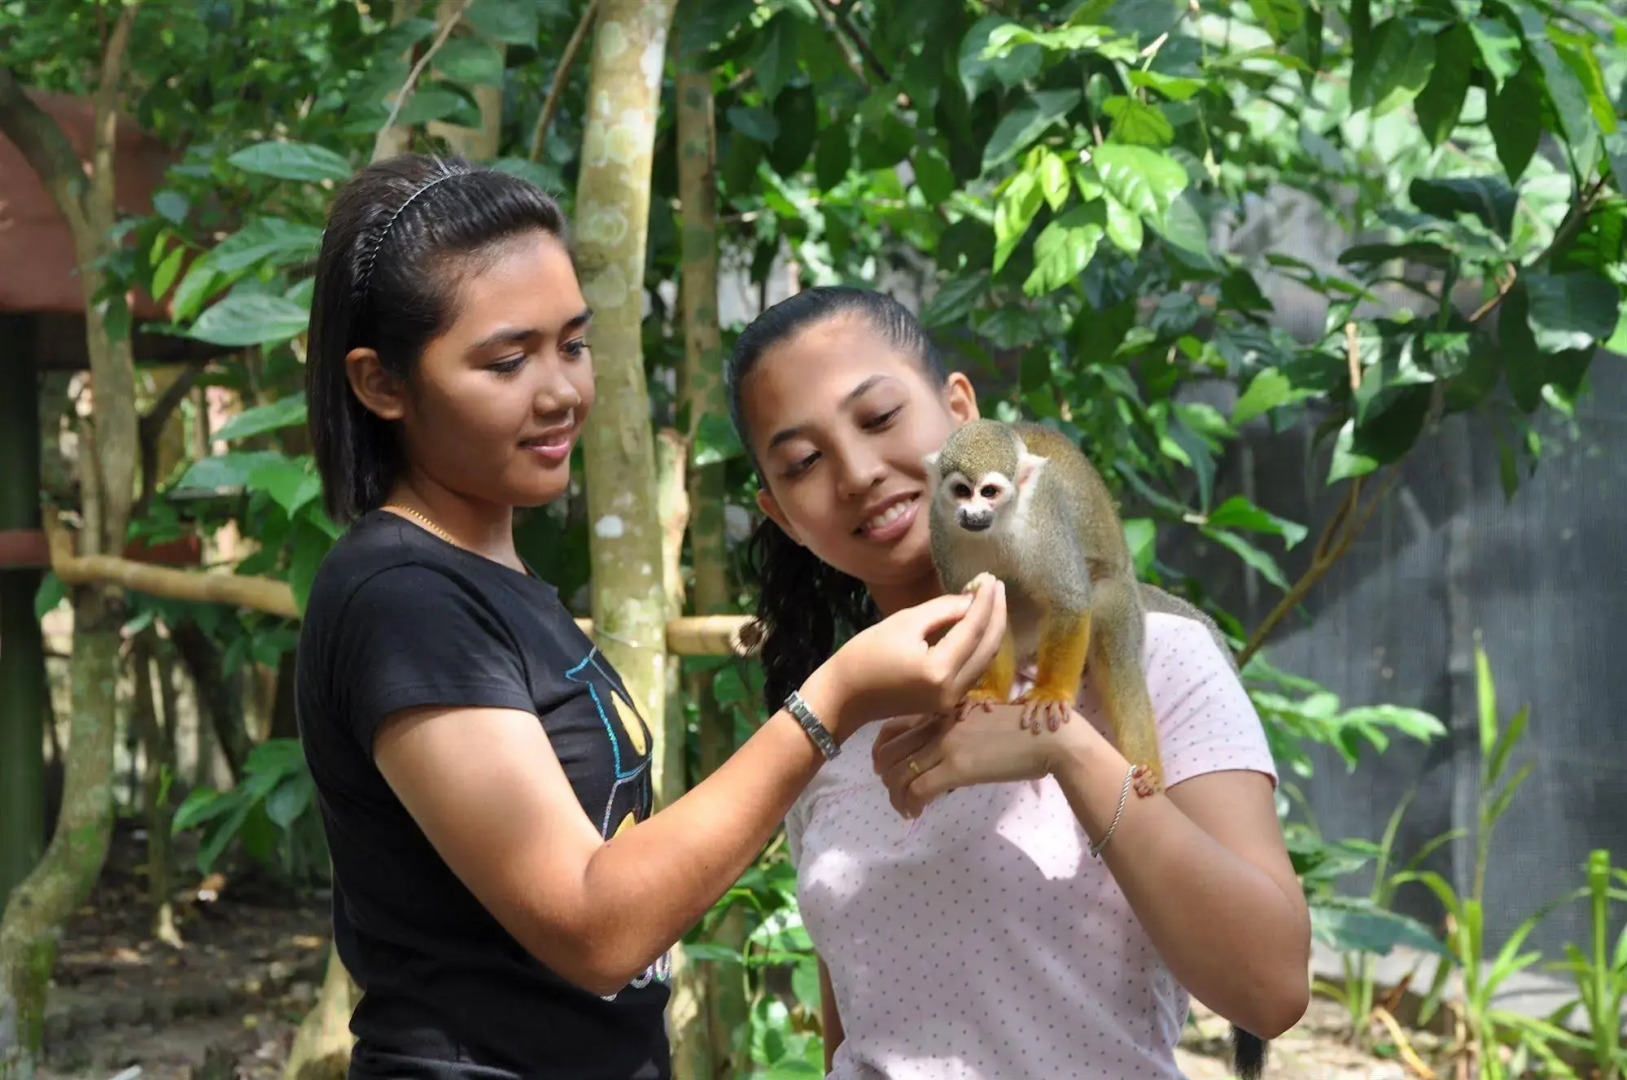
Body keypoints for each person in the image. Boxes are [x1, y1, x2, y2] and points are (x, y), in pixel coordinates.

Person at [292, 156, 1009, 1080]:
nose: (558, 392)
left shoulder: (494, 581)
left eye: (572, 345)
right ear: (382, 384)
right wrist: (831, 701)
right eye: (507, 361)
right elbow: (595, 930)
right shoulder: (403, 598)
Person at [724, 285, 1312, 1080]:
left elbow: (1271, 990)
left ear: (963, 415)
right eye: (803, 462)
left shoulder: (1155, 656)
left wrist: (1062, 742)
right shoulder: (830, 718)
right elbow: (854, 1031)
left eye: (878, 418)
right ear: (782, 515)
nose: (858, 473)